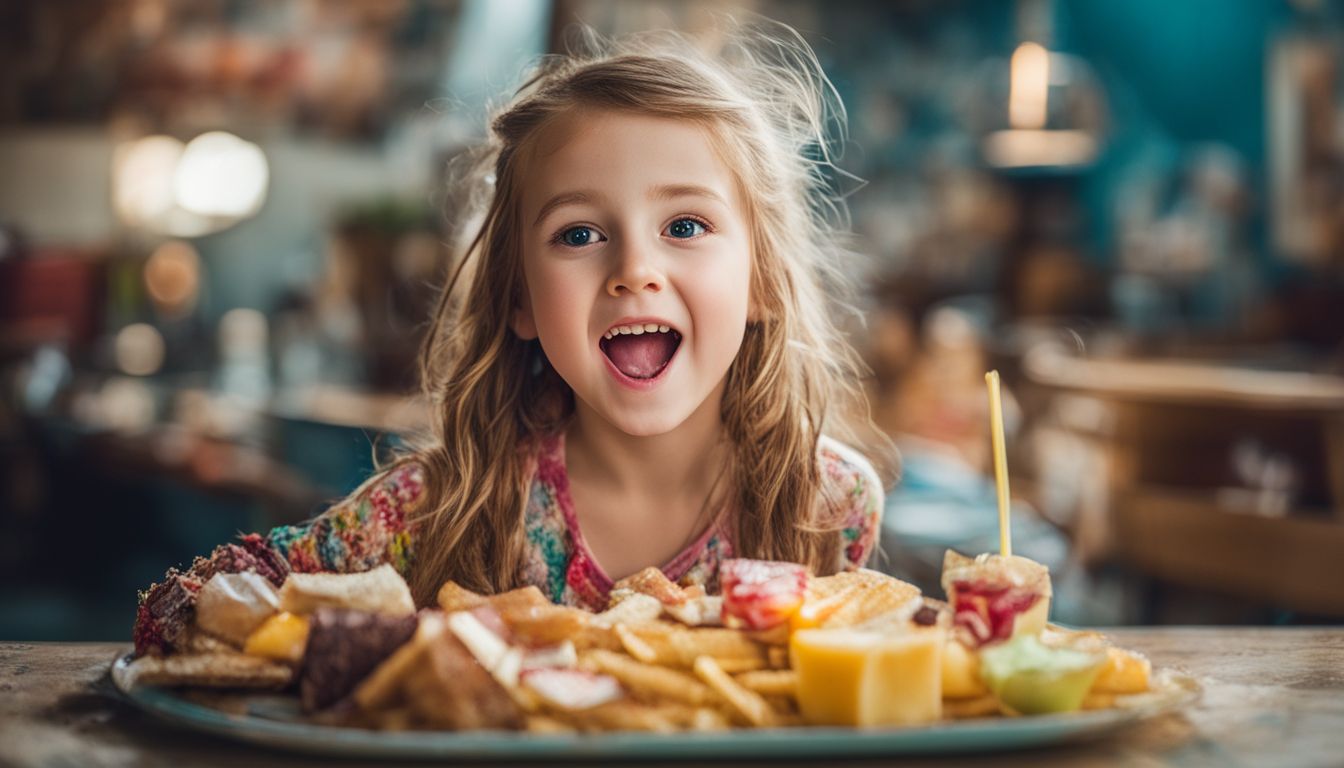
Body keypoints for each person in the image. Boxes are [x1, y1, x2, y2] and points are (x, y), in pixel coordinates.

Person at [138, 21, 895, 623]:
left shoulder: (824, 504)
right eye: (578, 234)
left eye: (687, 226)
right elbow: (228, 590)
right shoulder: (447, 504)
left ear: (762, 279)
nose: (635, 269)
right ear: (521, 301)